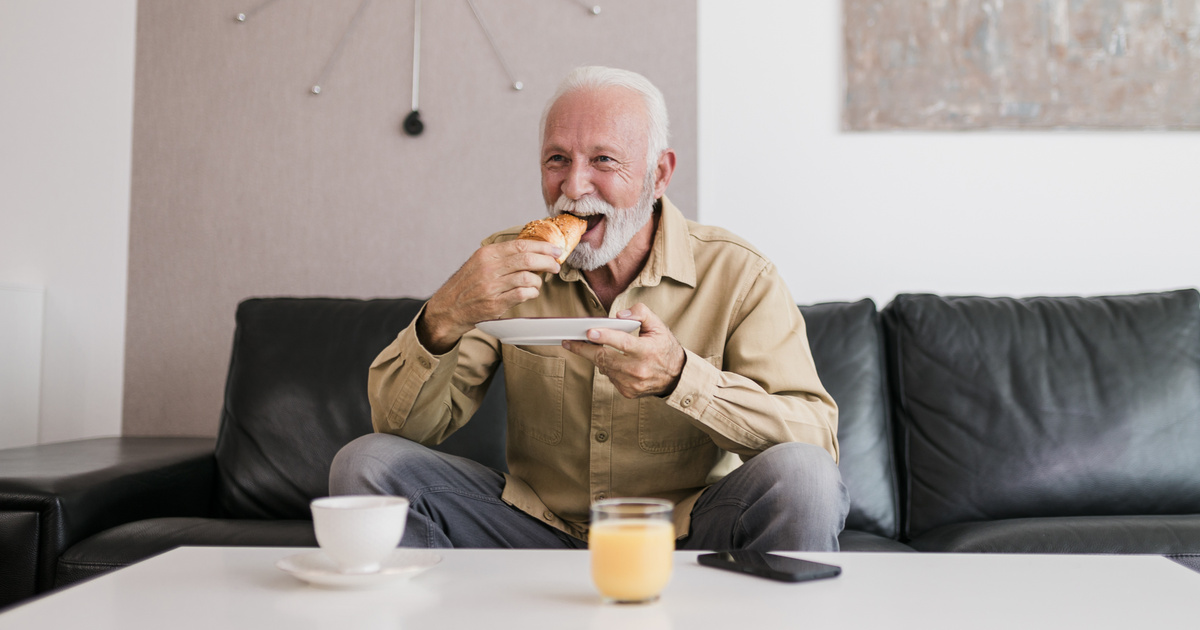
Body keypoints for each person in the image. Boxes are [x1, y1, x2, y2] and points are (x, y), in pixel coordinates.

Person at [330, 66, 848, 551]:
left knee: (804, 477)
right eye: (558, 159)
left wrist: (680, 378)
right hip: (529, 529)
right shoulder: (505, 266)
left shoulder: (738, 273)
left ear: (659, 174)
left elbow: (815, 442)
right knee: (367, 463)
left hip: (686, 531)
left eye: (603, 160)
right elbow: (404, 432)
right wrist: (444, 314)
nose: (573, 187)